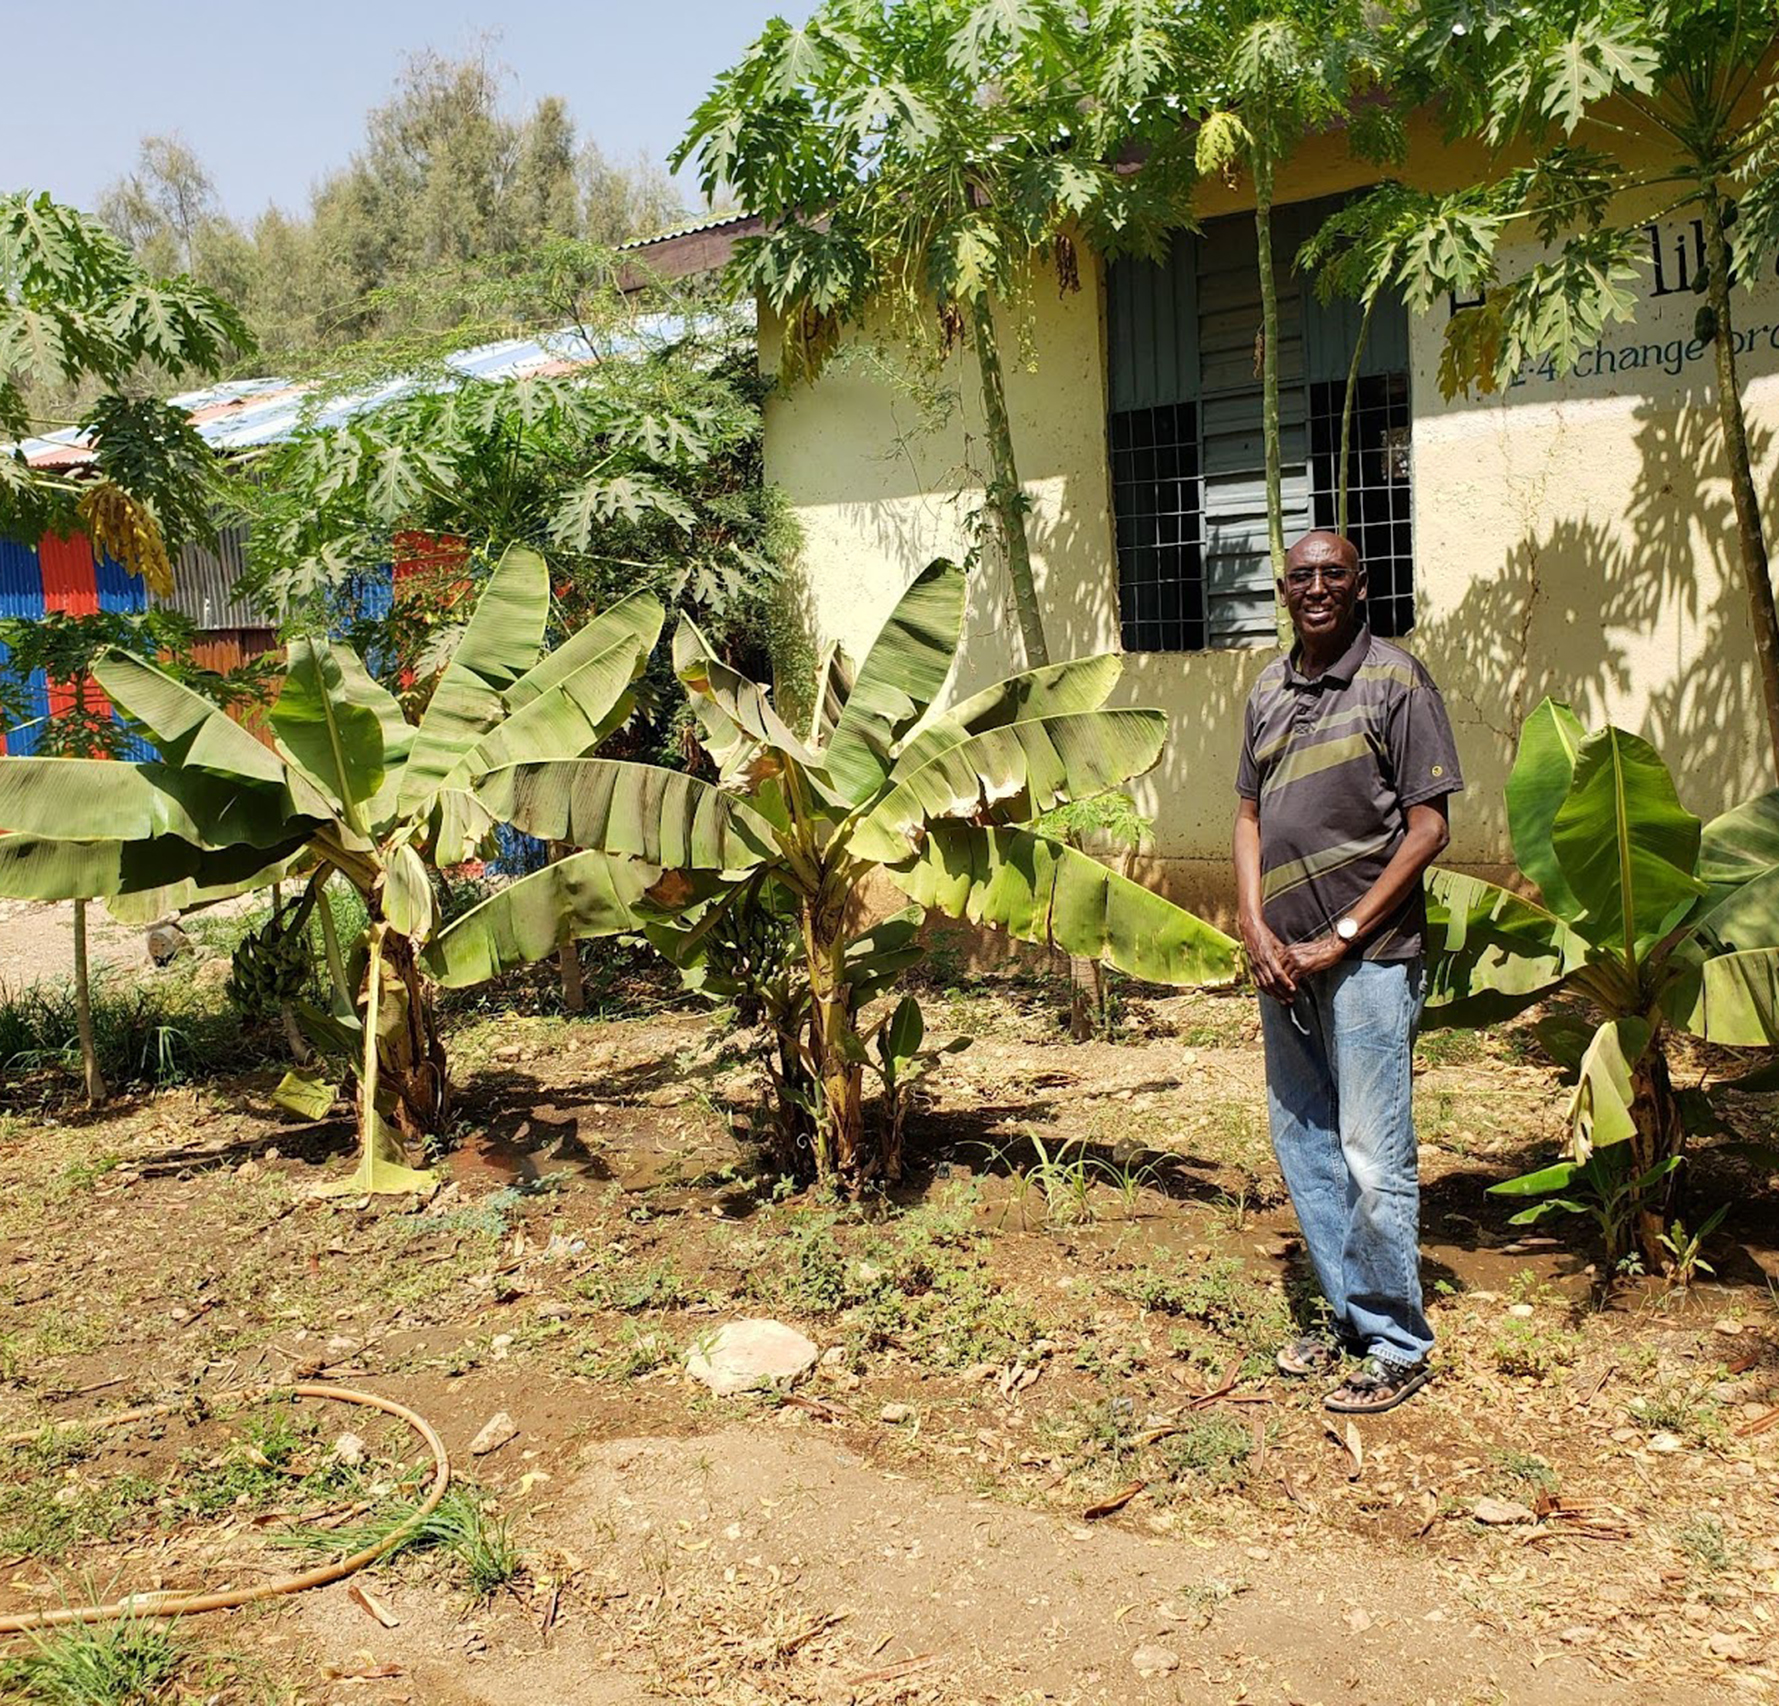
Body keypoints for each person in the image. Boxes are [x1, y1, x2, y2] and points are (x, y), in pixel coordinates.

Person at [1232, 530, 1462, 1414]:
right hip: (1280, 960)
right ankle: (1348, 1319)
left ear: (1359, 585)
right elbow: (1249, 815)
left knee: (1372, 1152)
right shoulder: (1265, 688)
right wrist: (1253, 924)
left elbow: (1428, 829)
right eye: (1300, 577)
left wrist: (1343, 933)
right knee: (1305, 1146)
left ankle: (1399, 1342)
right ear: (1282, 592)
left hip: (1366, 959)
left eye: (1333, 574)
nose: (1316, 588)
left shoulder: (1395, 680)